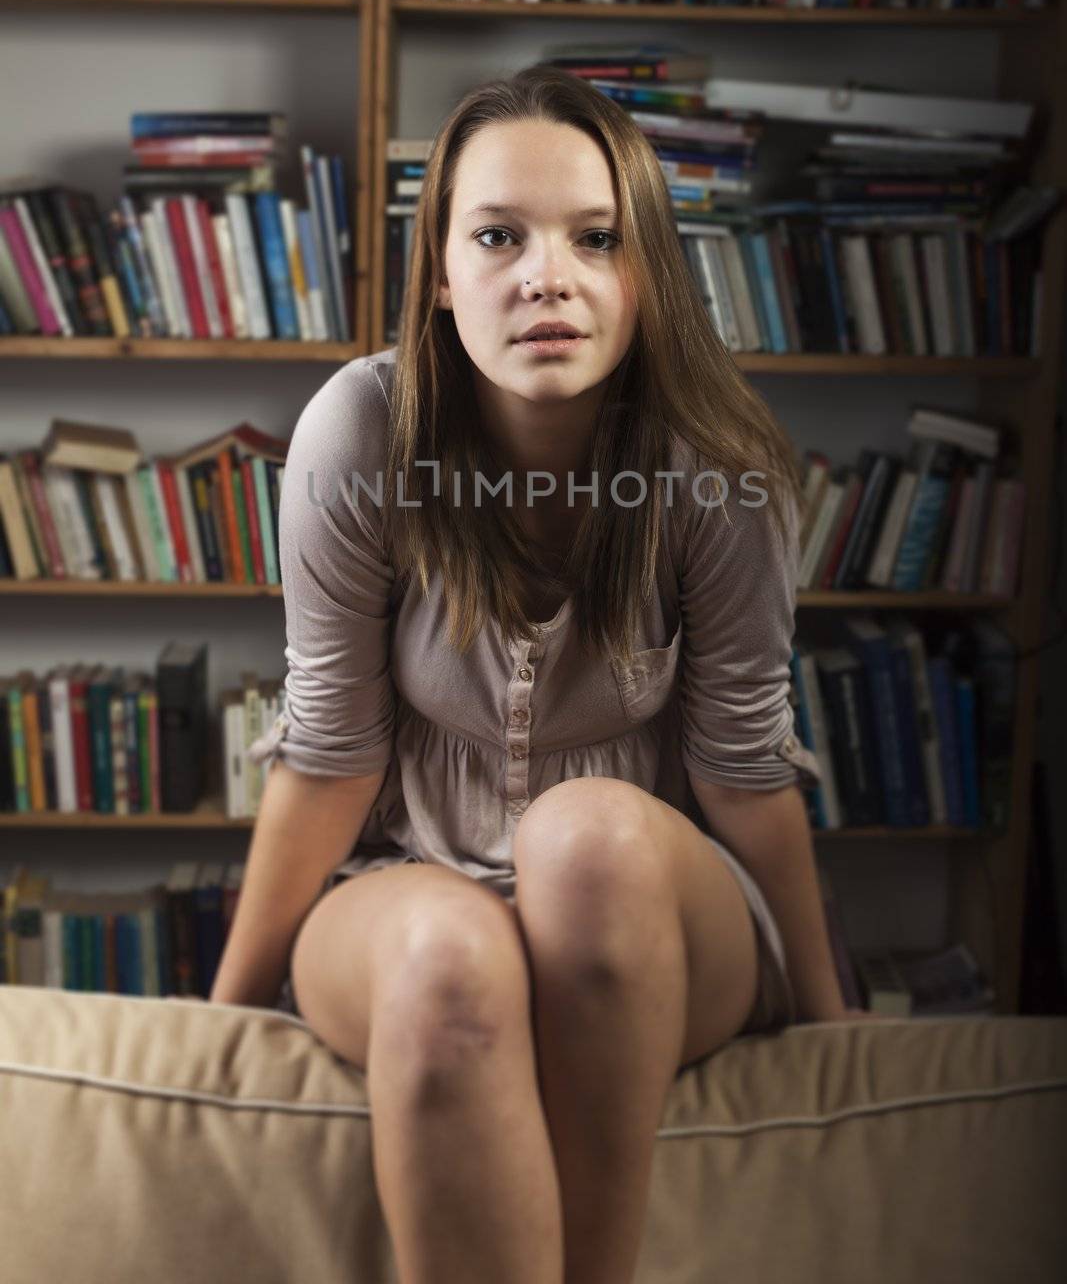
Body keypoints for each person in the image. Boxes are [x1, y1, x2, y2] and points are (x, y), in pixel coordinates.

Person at [210, 64, 866, 1284]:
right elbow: (330, 753)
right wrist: (226, 1018)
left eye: (594, 237)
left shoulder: (715, 468)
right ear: (441, 274)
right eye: (497, 235)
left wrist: (831, 1024)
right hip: (409, 882)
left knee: (587, 843)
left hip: (652, 911)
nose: (544, 276)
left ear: (643, 272)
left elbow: (741, 767)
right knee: (454, 962)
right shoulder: (360, 432)